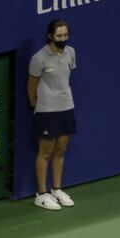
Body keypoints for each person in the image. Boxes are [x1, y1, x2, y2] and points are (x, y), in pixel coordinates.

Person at [27, 18, 77, 211]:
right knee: (45, 152)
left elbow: (66, 77)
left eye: (65, 35)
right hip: (47, 110)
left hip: (66, 106)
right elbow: (31, 88)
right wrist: (37, 106)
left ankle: (56, 189)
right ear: (50, 36)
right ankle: (41, 194)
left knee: (61, 150)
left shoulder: (71, 53)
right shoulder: (39, 58)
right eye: (59, 36)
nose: (62, 39)